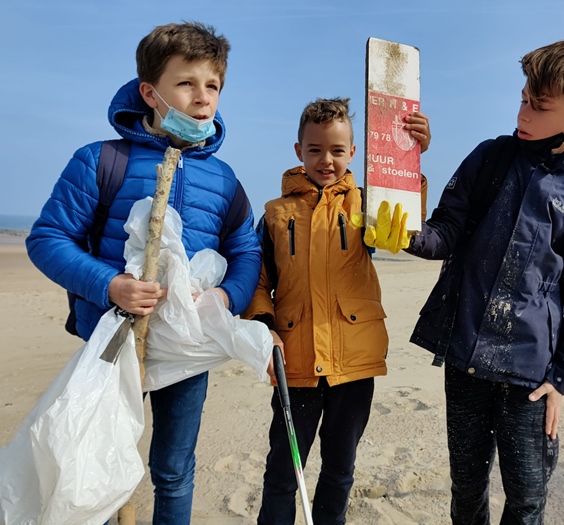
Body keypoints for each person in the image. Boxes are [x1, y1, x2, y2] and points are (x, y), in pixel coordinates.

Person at [25, 22, 262, 524]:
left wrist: (226, 299)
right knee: (102, 465)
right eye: (187, 83)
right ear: (150, 92)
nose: (203, 98)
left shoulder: (223, 179)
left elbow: (245, 251)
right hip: (111, 347)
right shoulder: (100, 160)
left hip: (187, 351)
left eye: (213, 85)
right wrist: (110, 285)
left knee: (174, 470)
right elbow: (47, 239)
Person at [404, 36, 564, 524]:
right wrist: (401, 217)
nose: (523, 113)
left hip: (533, 377)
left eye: (540, 106)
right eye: (524, 98)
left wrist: (563, 379)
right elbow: (443, 234)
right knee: (467, 487)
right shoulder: (491, 158)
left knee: (526, 496)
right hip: (465, 360)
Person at [243, 97, 431, 524]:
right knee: (282, 472)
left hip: (355, 362)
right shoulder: (275, 213)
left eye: (337, 151)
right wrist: (264, 326)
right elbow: (258, 279)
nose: (326, 160)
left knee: (339, 469)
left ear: (353, 152)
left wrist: (410, 163)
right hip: (296, 360)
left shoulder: (366, 203)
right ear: (298, 151)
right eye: (315, 150)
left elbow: (401, 229)